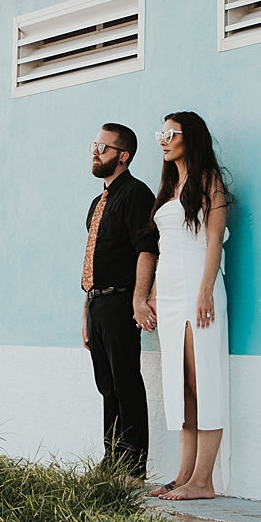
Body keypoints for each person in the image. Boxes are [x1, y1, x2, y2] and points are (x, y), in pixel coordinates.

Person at [133, 111, 230, 500]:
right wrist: (154, 292)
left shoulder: (209, 182)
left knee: (200, 380)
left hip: (197, 288)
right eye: (161, 133)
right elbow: (162, 248)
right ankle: (183, 474)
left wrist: (205, 290)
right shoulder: (170, 187)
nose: (163, 139)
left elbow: (213, 241)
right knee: (180, 385)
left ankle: (203, 482)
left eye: (170, 133)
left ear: (190, 137)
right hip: (170, 293)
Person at [81, 121, 158, 478]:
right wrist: (86, 311)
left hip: (121, 302)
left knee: (126, 384)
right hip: (97, 304)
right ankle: (111, 461)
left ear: (123, 156)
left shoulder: (136, 194)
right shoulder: (99, 201)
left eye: (103, 147)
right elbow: (94, 257)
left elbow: (147, 250)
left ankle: (132, 467)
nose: (95, 151)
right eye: (95, 145)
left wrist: (140, 301)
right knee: (106, 387)